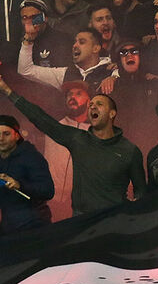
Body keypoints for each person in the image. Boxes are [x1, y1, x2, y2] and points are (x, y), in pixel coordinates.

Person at [0, 75, 147, 216]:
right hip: (81, 219)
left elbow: (141, 191)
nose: (93, 107)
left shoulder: (129, 150)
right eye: (91, 105)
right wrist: (8, 91)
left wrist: (133, 211)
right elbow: (40, 118)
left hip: (114, 219)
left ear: (112, 113)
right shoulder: (78, 139)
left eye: (99, 104)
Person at [43, 81, 91, 222]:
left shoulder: (96, 133)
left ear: (89, 101)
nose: (72, 97)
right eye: (69, 94)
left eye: (78, 94)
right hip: (50, 201)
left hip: (80, 205)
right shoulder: (54, 128)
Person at [0, 114, 54, 234]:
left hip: (34, 227)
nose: (1, 138)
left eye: (6, 134)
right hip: (9, 226)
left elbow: (48, 190)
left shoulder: (31, 157)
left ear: (17, 136)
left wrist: (19, 185)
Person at [18, 28, 114, 93]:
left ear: (96, 48)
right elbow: (26, 70)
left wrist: (114, 77)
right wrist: (28, 40)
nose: (74, 45)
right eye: (75, 42)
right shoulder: (64, 73)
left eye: (82, 42)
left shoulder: (113, 71)